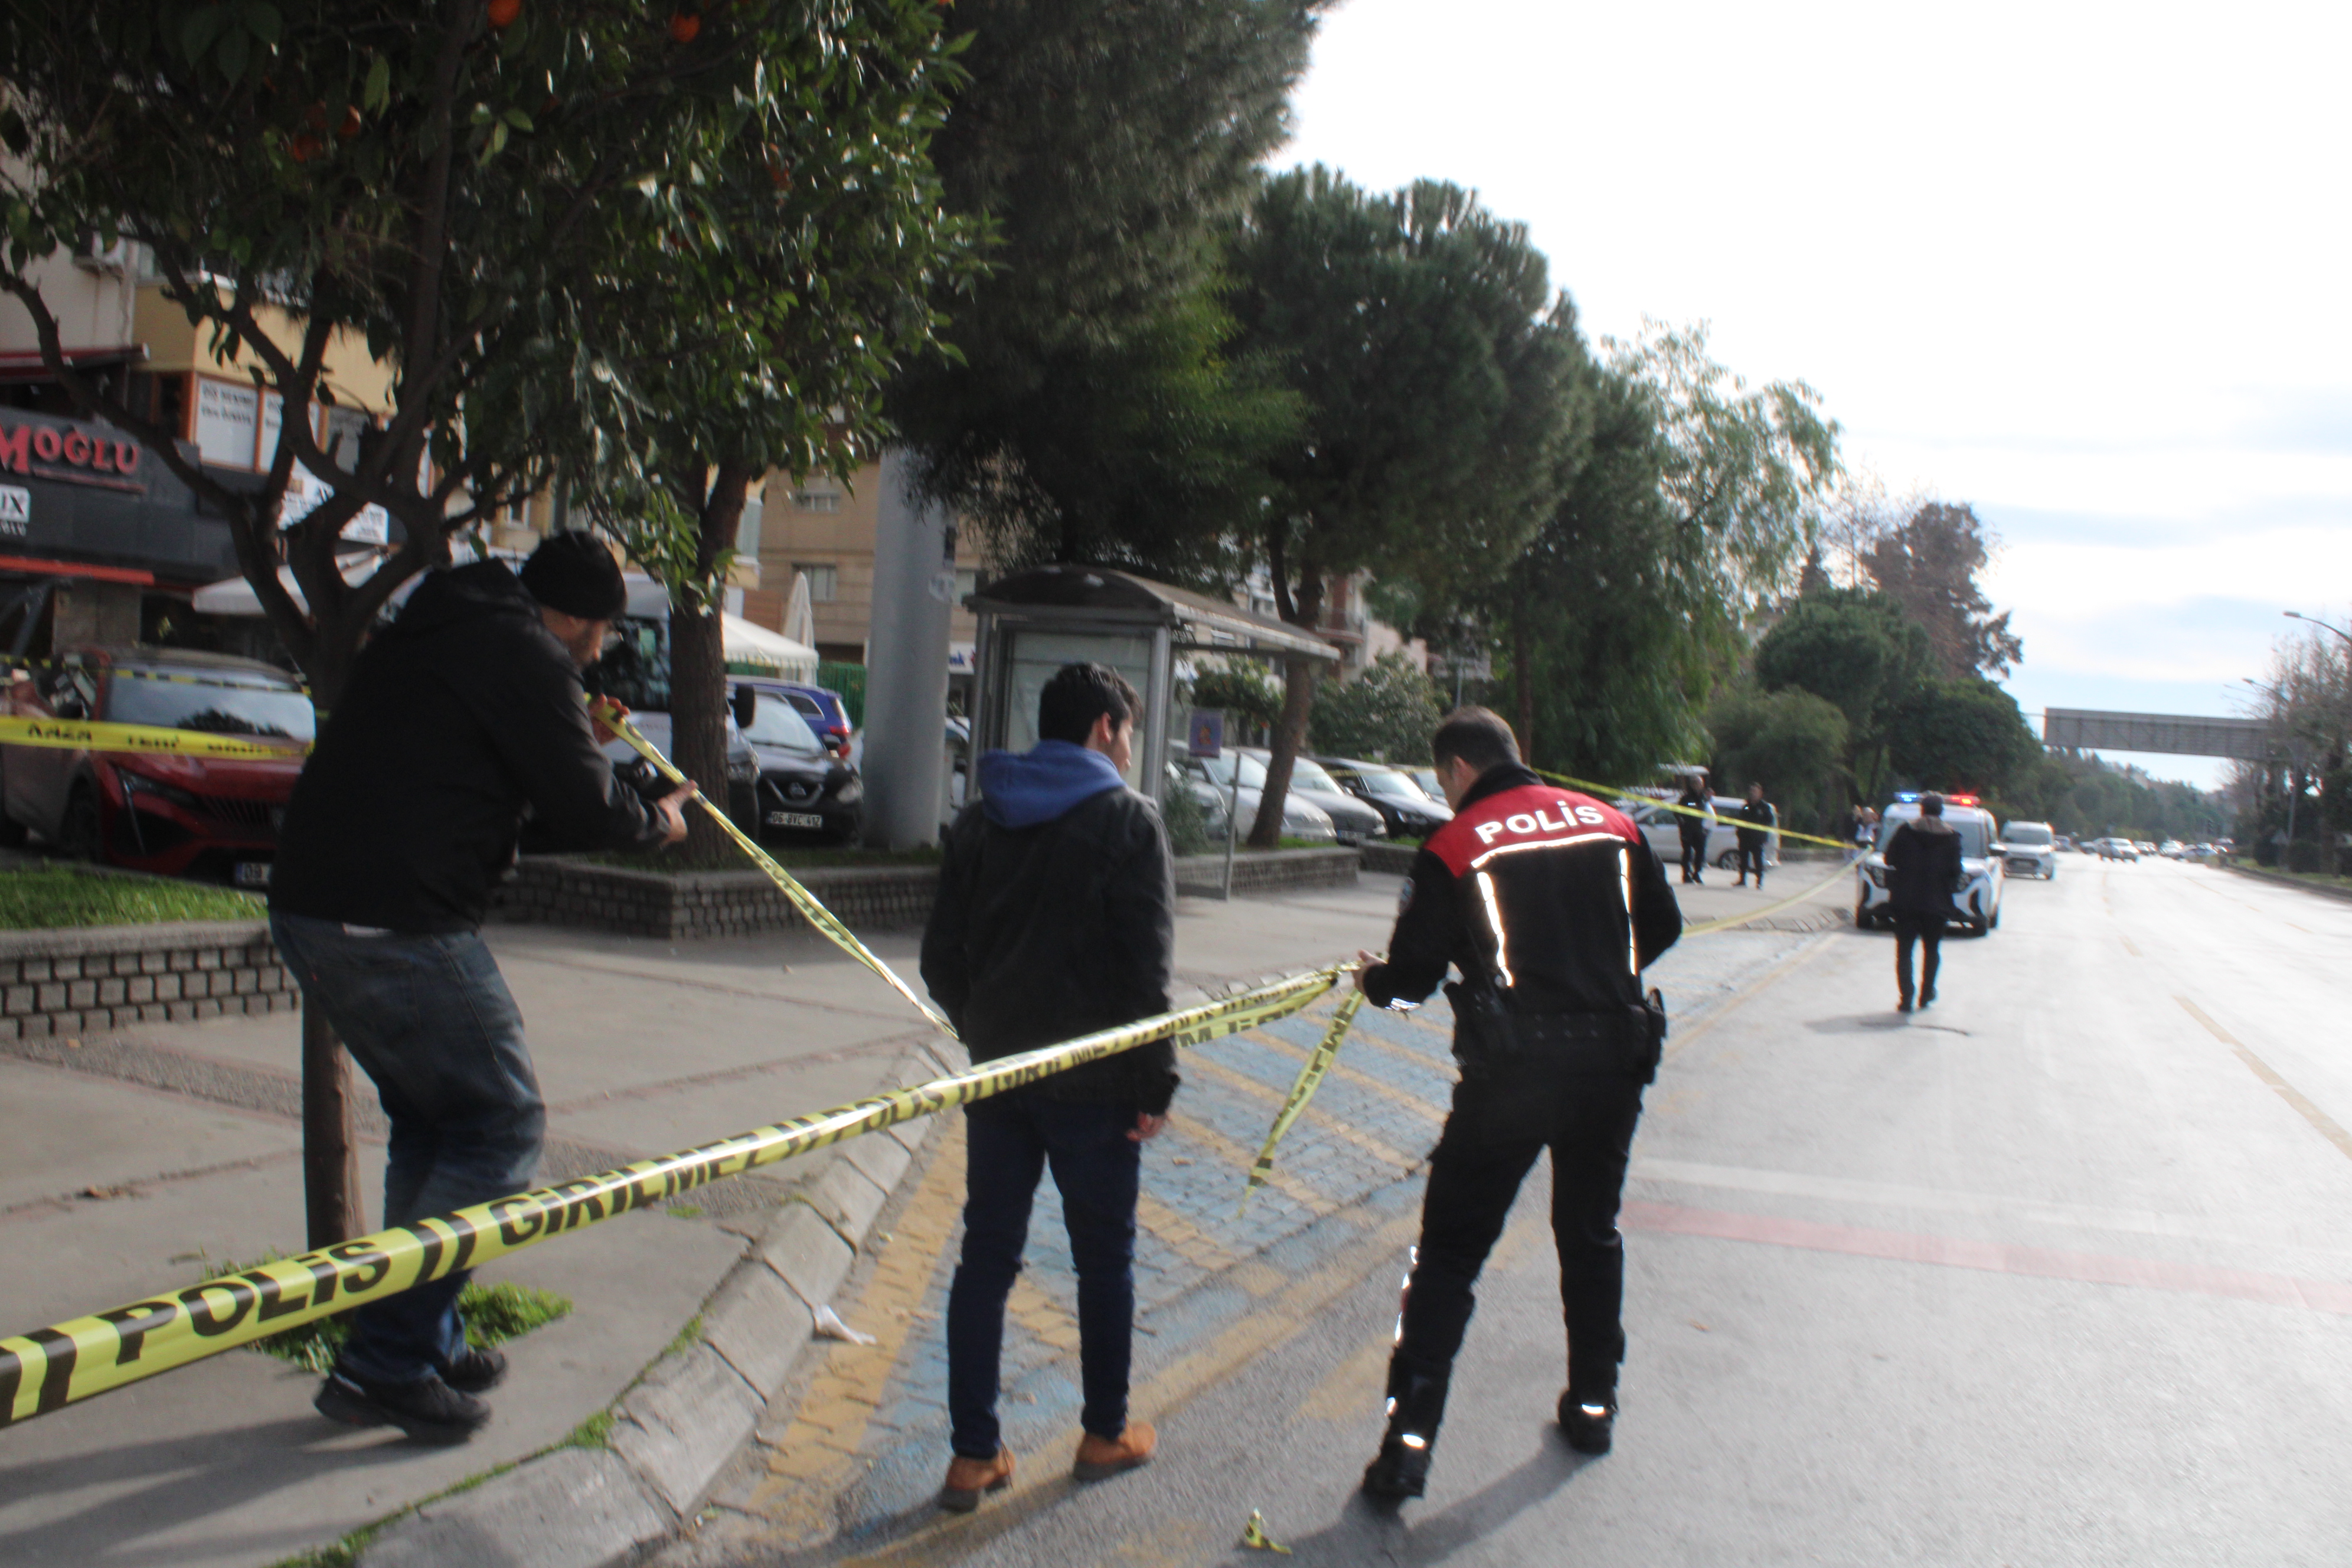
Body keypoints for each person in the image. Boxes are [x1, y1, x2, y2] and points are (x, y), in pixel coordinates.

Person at [270, 533, 691, 1444]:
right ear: (577, 616)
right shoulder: (529, 656)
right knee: (503, 1125)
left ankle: (425, 1336)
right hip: (394, 923)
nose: (597, 653)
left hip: (316, 909)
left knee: (435, 1124)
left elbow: (512, 797)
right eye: (601, 635)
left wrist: (580, 749)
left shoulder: (447, 625)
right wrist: (654, 820)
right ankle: (385, 1361)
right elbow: (582, 807)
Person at [1353, 707, 1682, 1501]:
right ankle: (1594, 1405)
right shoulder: (1611, 824)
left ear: (1459, 770)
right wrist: (1596, 971)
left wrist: (1373, 982)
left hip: (1511, 1079)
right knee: (1590, 1234)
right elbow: (1664, 927)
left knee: (1450, 1258)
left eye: (1442, 783)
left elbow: (1414, 978)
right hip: (1613, 1064)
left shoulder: (1456, 843)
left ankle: (1407, 1448)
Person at [920, 662, 1177, 1513]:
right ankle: (1104, 1433)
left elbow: (939, 959)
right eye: (1128, 732)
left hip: (999, 1079)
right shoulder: (1127, 822)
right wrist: (1155, 1082)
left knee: (986, 1258)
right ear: (1106, 727)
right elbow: (1146, 973)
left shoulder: (981, 817)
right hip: (1097, 1087)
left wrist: (986, 1030)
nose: (1130, 748)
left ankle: (972, 1456)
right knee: (1104, 1259)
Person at [1882, 792, 1963, 1012]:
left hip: (1905, 902)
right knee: (1932, 949)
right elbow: (1956, 871)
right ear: (1941, 812)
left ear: (1922, 810)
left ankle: (1906, 998)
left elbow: (1889, 859)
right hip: (1937, 905)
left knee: (1905, 950)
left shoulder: (1905, 832)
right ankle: (1927, 993)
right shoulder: (1953, 837)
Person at [1732, 782, 1776, 888]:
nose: (1753, 793)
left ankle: (1759, 881)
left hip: (1757, 839)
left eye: (1755, 791)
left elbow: (1770, 821)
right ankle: (1742, 880)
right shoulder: (1746, 806)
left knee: (1758, 861)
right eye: (1751, 791)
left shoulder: (1765, 807)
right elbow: (1741, 820)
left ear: (1760, 793)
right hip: (1745, 838)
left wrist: (1761, 830)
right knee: (1743, 860)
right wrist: (1739, 833)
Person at [1673, 770, 1714, 884]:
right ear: (1692, 785)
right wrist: (1682, 823)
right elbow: (1676, 813)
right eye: (1695, 783)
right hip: (1688, 830)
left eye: (1699, 783)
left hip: (1699, 830)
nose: (1697, 785)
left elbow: (1709, 812)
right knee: (1688, 853)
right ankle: (1686, 874)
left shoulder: (1703, 798)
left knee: (1701, 852)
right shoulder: (1686, 799)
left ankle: (1697, 874)